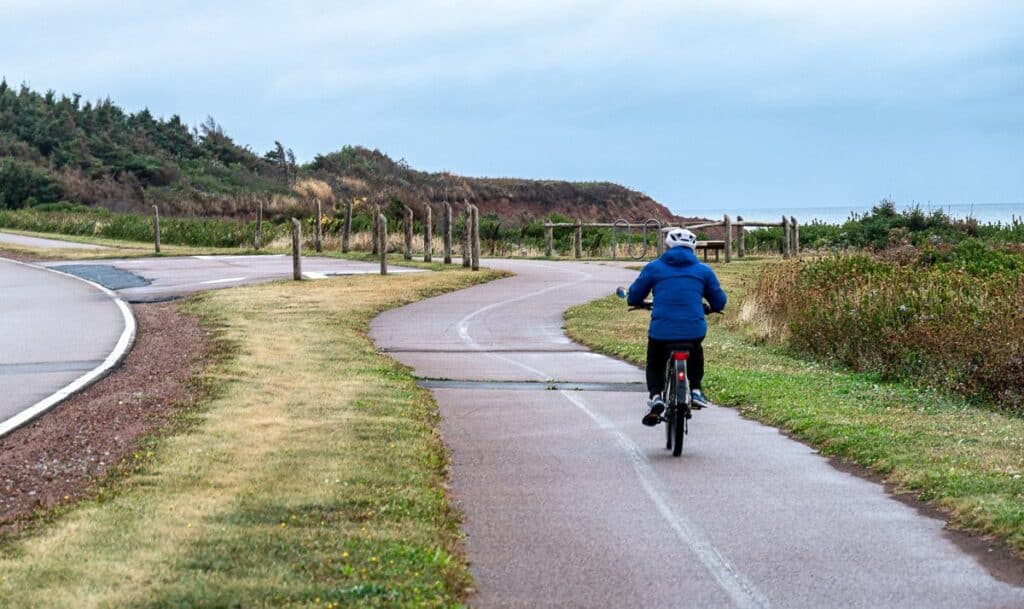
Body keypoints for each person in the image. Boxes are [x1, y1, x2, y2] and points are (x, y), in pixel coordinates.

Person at [627, 227, 727, 426]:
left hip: (661, 331)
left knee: (655, 360)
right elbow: (720, 301)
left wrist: (638, 302)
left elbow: (634, 296)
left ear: (668, 246)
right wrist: (710, 308)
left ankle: (656, 397)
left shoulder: (654, 268)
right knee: (695, 350)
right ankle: (696, 390)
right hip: (693, 330)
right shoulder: (703, 271)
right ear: (693, 248)